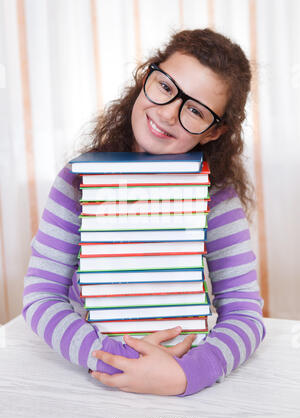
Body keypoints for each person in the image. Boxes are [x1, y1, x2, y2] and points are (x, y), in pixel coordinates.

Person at [23, 28, 266, 396]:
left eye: (196, 111)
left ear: (214, 133)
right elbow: (41, 296)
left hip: (183, 373)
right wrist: (111, 358)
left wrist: (189, 374)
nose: (168, 114)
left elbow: (246, 313)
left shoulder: (215, 197)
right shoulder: (79, 181)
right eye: (166, 87)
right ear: (145, 77)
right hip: (88, 379)